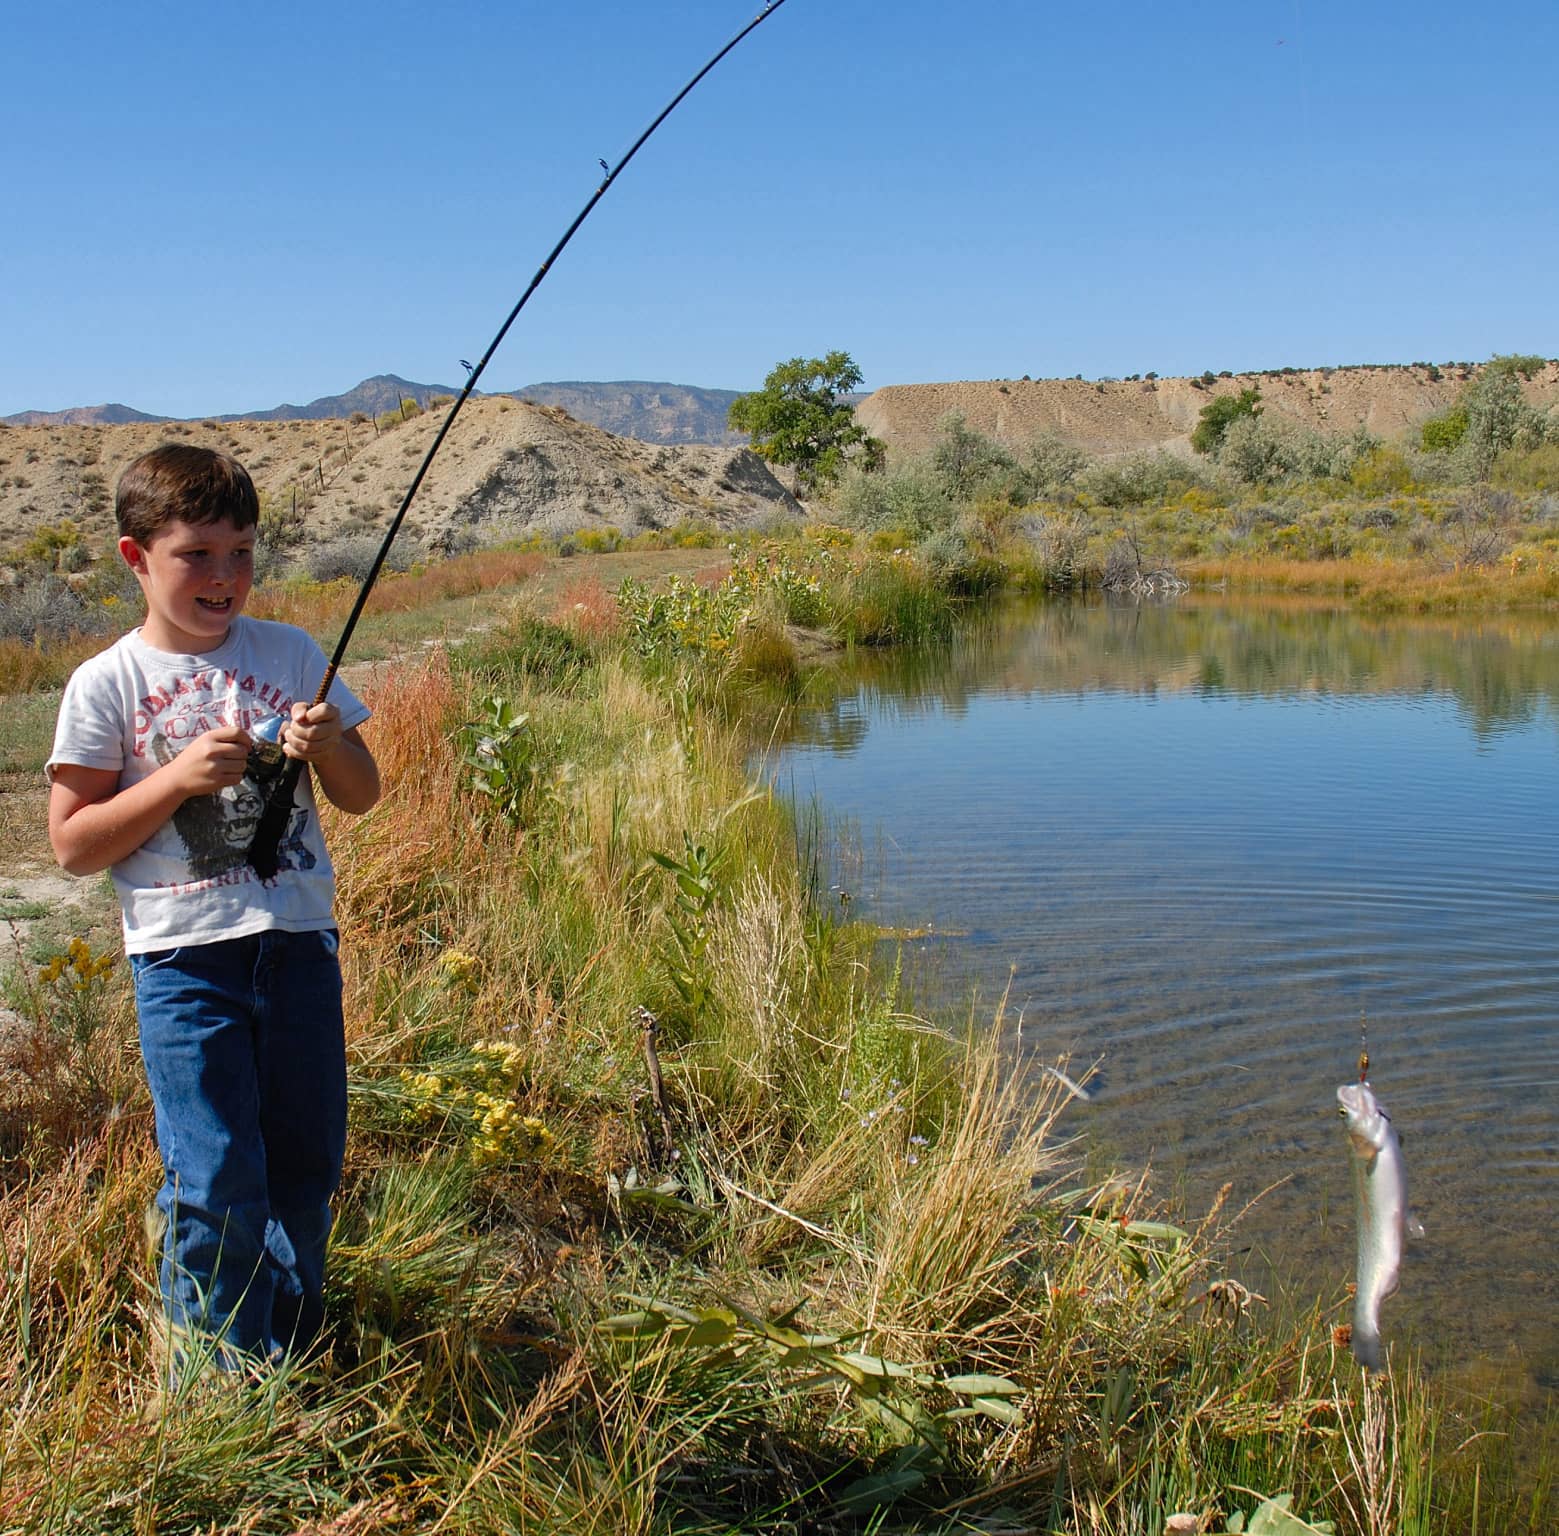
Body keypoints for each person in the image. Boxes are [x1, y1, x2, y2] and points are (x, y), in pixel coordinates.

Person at [46, 444, 381, 1371]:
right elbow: (73, 845)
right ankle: (219, 1381)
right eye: (197, 553)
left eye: (241, 551)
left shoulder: (292, 654)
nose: (224, 576)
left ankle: (295, 1347)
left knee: (306, 1163)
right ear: (135, 558)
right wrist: (178, 780)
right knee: (217, 1174)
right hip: (183, 965)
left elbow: (361, 794)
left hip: (298, 951)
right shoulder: (105, 683)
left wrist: (328, 749)